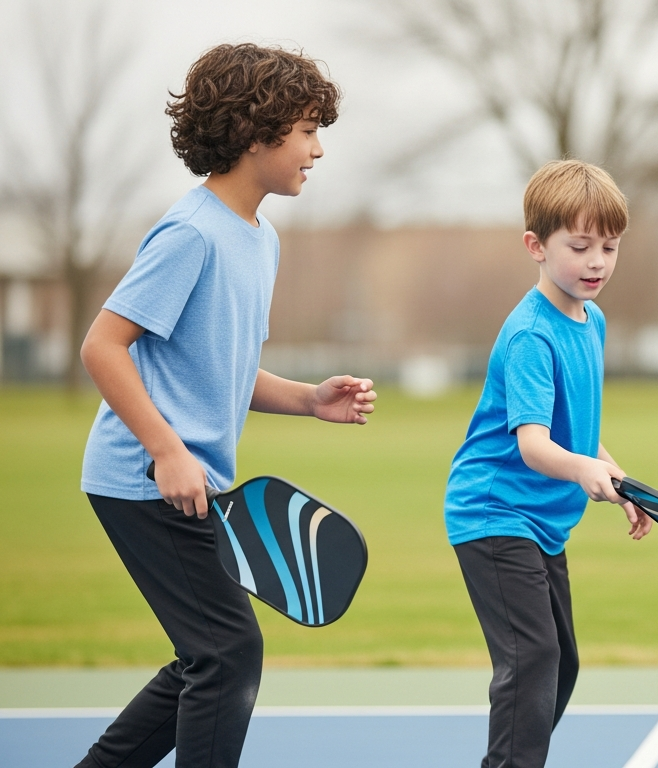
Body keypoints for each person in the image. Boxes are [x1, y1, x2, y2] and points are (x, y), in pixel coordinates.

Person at [77, 44, 373, 768]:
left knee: (205, 657)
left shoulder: (258, 238)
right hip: (142, 482)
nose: (318, 149)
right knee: (229, 652)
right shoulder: (192, 234)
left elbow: (223, 368)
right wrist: (167, 449)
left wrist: (307, 399)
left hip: (187, 483)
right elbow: (102, 347)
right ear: (254, 132)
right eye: (306, 130)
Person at [443, 159, 652, 768]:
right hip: (494, 513)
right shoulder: (531, 334)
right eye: (580, 246)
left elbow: (578, 429)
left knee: (561, 661)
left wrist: (619, 479)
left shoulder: (594, 320)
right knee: (532, 659)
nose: (597, 263)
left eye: (609, 248)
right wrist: (586, 473)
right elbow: (536, 445)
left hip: (541, 521)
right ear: (536, 246)